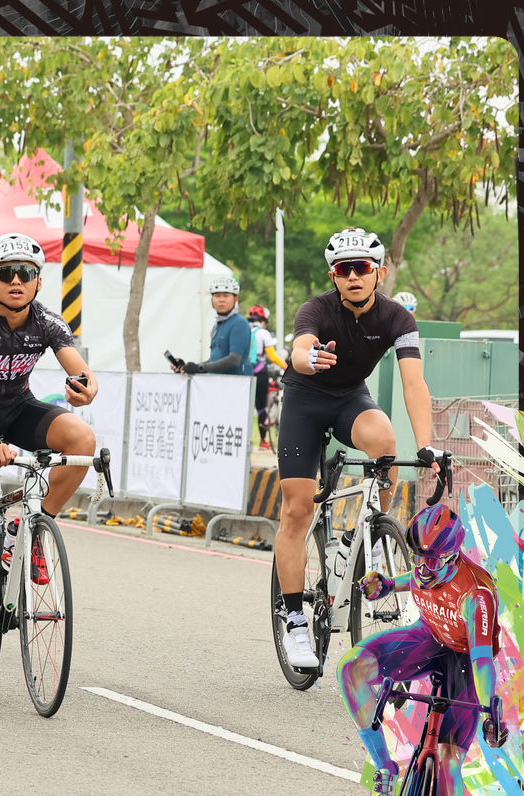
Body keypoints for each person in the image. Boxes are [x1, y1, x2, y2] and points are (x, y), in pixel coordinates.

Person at [273, 227, 442, 669]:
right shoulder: (316, 309)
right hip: (305, 401)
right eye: (343, 269)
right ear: (333, 275)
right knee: (297, 510)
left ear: (378, 273)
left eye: (362, 268)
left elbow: (414, 383)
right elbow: (300, 348)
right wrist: (308, 359)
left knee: (385, 439)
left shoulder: (397, 319)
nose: (353, 276)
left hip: (350, 399)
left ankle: (373, 534)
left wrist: (427, 446)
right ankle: (294, 620)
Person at [0, 232, 97, 671]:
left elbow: (80, 370)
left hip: (17, 408)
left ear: (38, 282)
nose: (16, 281)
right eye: (6, 273)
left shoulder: (48, 322)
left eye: (25, 274)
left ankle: (31, 527)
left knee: (82, 440)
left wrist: (87, 389)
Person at [339, 505, 508, 796]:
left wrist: (491, 711)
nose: (423, 568)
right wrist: (388, 585)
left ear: (453, 555)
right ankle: (385, 769)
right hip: (428, 637)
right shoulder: (426, 566)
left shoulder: (476, 596)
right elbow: (415, 578)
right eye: (418, 557)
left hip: (466, 661)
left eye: (432, 561)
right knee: (351, 668)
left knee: (448, 764)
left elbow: (481, 660)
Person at [170, 275, 253, 376]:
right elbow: (214, 360)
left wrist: (199, 368)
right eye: (217, 296)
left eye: (226, 295)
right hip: (218, 382)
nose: (221, 300)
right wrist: (188, 367)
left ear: (235, 299)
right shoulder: (218, 324)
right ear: (212, 299)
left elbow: (234, 360)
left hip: (237, 383)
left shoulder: (239, 323)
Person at [247, 304, 288, 450]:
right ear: (265, 320)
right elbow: (272, 356)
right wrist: (285, 366)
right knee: (261, 406)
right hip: (260, 373)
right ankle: (263, 441)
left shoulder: (244, 329)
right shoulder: (263, 333)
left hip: (245, 373)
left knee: (245, 406)